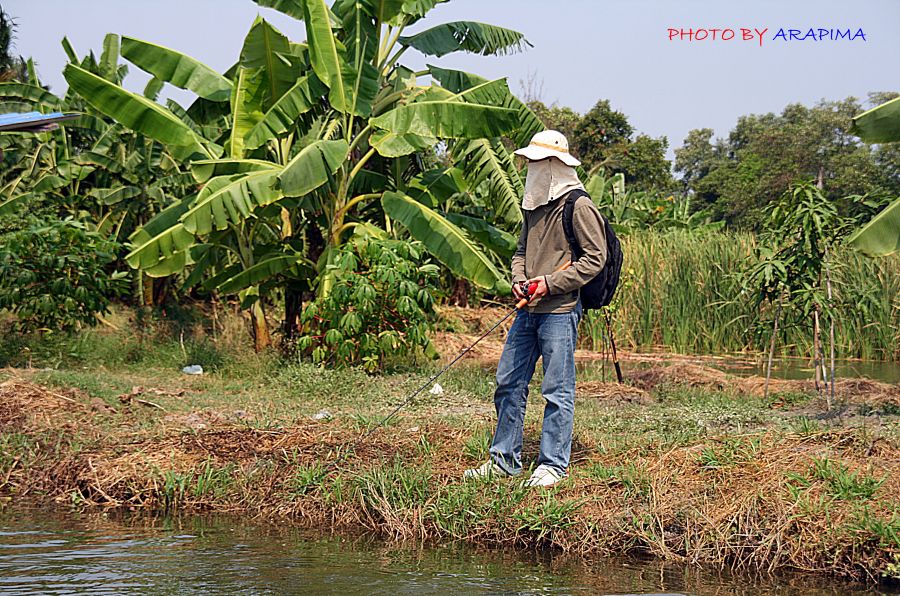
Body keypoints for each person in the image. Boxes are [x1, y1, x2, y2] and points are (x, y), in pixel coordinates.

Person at [464, 130, 608, 487]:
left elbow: (595, 259)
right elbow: (519, 253)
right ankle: (503, 460)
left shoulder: (579, 205)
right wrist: (519, 279)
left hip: (560, 310)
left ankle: (553, 465)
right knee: (508, 382)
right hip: (528, 309)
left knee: (556, 389)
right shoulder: (534, 206)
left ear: (553, 165)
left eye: (534, 162)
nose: (528, 167)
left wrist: (548, 284)